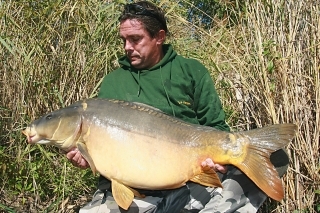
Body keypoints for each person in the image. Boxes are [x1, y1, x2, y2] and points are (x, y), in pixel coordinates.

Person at [67, 1, 289, 212]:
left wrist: (212, 162)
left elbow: (215, 126)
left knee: (276, 158)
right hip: (132, 186)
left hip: (189, 177)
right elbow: (102, 147)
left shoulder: (191, 71)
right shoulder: (113, 82)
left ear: (159, 37)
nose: (127, 47)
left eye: (135, 39)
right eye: (123, 39)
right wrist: (86, 158)